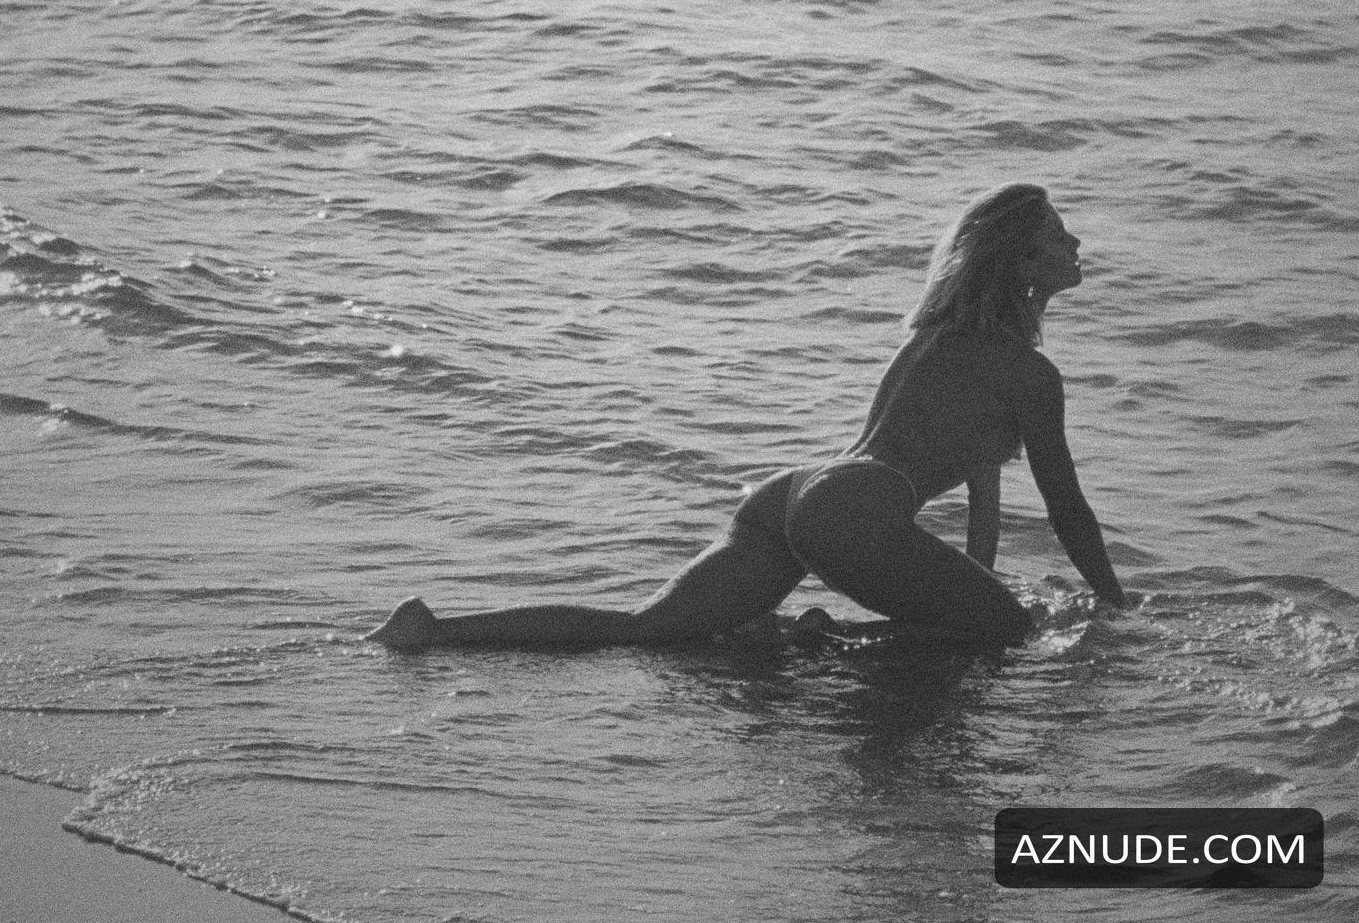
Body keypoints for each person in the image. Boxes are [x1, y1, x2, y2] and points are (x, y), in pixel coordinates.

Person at [367, 183, 1129, 652]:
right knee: (1010, 635)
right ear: (1022, 264)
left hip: (794, 493)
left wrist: (972, 593)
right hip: (858, 510)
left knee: (645, 630)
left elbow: (982, 500)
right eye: (1057, 236)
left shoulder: (933, 337)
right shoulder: (1028, 374)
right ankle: (818, 641)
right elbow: (1068, 510)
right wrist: (1117, 610)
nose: (1075, 243)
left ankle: (432, 631)